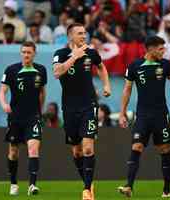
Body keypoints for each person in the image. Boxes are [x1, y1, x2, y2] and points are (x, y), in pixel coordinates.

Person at [118, 36, 170, 198]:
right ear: (150, 49)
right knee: (136, 147)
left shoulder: (165, 65)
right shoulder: (135, 66)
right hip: (142, 115)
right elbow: (127, 89)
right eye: (161, 49)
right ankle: (128, 186)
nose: (164, 52)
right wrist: (122, 113)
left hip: (161, 115)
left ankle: (167, 189)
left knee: (164, 149)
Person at [53, 22, 111, 200]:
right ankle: (88, 181)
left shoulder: (91, 53)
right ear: (70, 36)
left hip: (89, 105)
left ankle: (86, 190)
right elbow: (57, 73)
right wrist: (74, 57)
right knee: (77, 151)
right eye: (79, 33)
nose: (83, 36)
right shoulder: (60, 54)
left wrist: (106, 84)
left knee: (87, 148)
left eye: (84, 33)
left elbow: (101, 67)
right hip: (69, 108)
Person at [0, 41, 47, 196]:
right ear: (21, 53)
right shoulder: (11, 70)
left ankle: (32, 185)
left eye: (29, 52)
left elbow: (42, 93)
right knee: (13, 152)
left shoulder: (41, 70)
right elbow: (2, 91)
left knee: (33, 149)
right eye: (24, 52)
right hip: (15, 118)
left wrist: (40, 110)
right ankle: (13, 183)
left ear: (34, 54)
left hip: (33, 117)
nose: (26, 55)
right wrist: (4, 103)